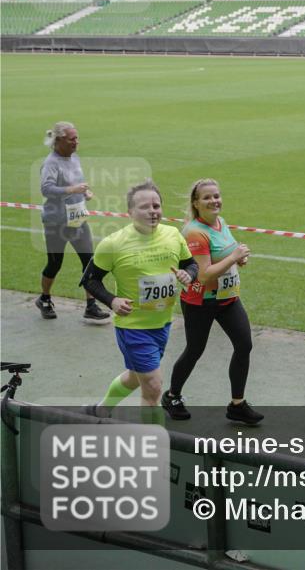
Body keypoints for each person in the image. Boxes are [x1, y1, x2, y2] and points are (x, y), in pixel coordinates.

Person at [81, 180, 197, 421]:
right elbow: (90, 280)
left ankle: (102, 409)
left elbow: (190, 264)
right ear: (130, 212)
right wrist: (111, 300)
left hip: (162, 324)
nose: (152, 211)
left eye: (156, 205)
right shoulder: (113, 243)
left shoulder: (173, 235)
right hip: (133, 327)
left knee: (136, 376)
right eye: (145, 207)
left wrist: (190, 274)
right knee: (153, 386)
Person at [160, 179, 262, 425]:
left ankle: (237, 404)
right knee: (195, 350)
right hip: (200, 300)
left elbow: (226, 252)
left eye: (216, 195)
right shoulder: (195, 232)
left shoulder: (220, 222)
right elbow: (204, 274)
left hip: (227, 298)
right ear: (196, 203)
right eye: (207, 197)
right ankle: (172, 396)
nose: (214, 201)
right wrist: (234, 256)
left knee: (244, 344)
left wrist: (238, 258)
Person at [36, 121, 109, 321]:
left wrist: (85, 192)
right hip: (56, 221)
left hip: (77, 217)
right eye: (72, 139)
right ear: (59, 141)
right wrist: (72, 190)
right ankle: (44, 298)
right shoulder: (51, 163)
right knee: (54, 264)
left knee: (90, 262)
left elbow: (76, 184)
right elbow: (46, 189)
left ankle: (91, 305)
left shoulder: (74, 158)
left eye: (77, 138)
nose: (76, 142)